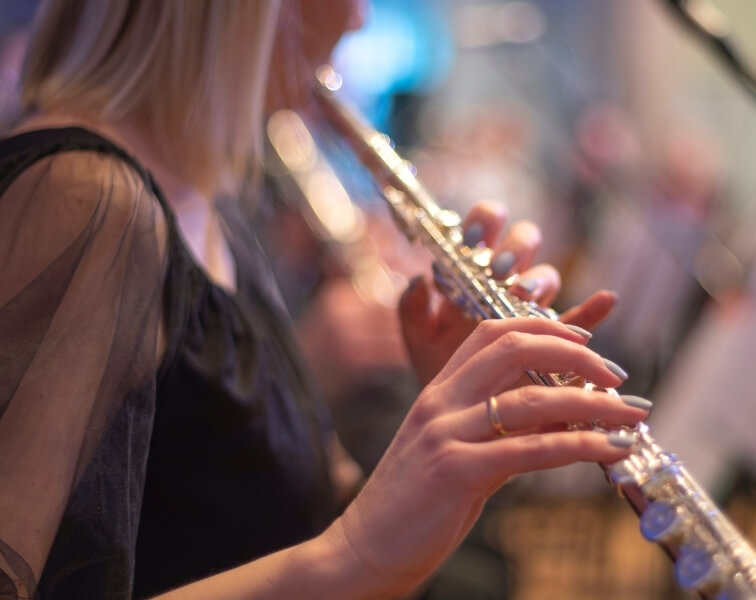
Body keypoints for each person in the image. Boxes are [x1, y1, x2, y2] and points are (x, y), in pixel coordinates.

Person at [0, 1, 650, 599]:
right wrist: (353, 551)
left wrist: (448, 416)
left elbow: (281, 524)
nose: (360, 20)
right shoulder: (82, 195)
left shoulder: (214, 202)